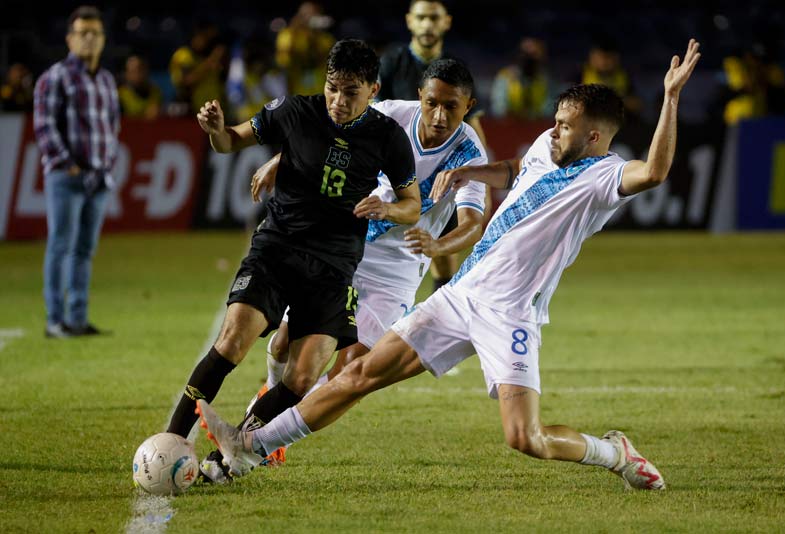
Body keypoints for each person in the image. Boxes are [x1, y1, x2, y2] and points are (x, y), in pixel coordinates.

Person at [195, 39, 702, 490]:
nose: (553, 130)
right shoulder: (547, 149)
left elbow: (655, 172)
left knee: (525, 437)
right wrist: (468, 172)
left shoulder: (604, 177)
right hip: (461, 294)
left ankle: (614, 452)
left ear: (593, 137)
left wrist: (671, 99)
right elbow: (513, 169)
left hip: (510, 313)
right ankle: (248, 448)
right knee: (359, 374)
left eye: (565, 125)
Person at [199, 58, 488, 482]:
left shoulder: (469, 154)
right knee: (282, 347)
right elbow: (327, 135)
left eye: (452, 107)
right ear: (420, 98)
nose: (440, 115)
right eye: (432, 103)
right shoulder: (392, 114)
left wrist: (438, 244)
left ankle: (246, 450)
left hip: (395, 273)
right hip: (342, 249)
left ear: (469, 107)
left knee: (347, 371)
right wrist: (278, 161)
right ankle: (268, 399)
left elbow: (472, 223)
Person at [165, 40, 420, 446]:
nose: (337, 100)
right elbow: (231, 140)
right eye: (332, 87)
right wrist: (216, 131)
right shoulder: (295, 111)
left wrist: (387, 210)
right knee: (232, 342)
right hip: (277, 249)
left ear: (373, 90)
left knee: (301, 379)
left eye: (350, 92)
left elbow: (412, 205)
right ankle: (172, 440)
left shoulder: (388, 137)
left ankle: (233, 451)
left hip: (334, 268)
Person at [377, 0, 489, 292]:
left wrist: (483, 174)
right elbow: (362, 118)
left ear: (446, 23)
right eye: (421, 17)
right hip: (394, 165)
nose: (428, 24)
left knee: (442, 254)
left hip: (442, 172)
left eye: (434, 18)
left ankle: (439, 315)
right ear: (410, 21)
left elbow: (473, 129)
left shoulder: (457, 71)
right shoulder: (392, 64)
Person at [33, 5, 120, 338]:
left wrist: (106, 165)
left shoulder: (107, 80)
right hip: (66, 177)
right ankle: (55, 320)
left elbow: (112, 128)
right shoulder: (54, 77)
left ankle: (78, 319)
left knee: (84, 249)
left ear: (102, 39)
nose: (88, 39)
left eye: (94, 33)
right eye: (82, 33)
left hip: (98, 179)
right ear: (69, 39)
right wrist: (68, 164)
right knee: (60, 245)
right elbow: (44, 128)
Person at [274, 2, 336, 97]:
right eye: (306, 15)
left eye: (315, 14)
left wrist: (315, 36)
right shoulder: (288, 35)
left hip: (320, 91)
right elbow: (284, 61)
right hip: (297, 89)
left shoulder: (325, 39)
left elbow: (328, 60)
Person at [168, 19, 227, 117]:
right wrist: (211, 61)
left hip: (215, 111)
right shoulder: (183, 55)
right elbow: (186, 82)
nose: (208, 42)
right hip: (193, 112)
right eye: (205, 37)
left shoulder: (206, 56)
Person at [490, 37, 555, 119]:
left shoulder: (546, 80)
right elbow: (498, 108)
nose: (529, 60)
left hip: (537, 126)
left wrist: (531, 115)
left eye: (533, 55)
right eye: (525, 54)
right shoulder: (505, 77)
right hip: (509, 125)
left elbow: (549, 109)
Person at [118, 54, 162, 119]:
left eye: (140, 69)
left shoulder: (156, 92)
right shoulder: (120, 96)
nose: (137, 75)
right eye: (133, 71)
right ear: (126, 74)